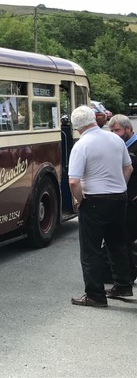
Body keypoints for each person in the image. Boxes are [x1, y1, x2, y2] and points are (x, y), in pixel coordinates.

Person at [68, 105, 133, 307]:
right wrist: (119, 187)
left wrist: (80, 200)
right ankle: (123, 284)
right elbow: (128, 167)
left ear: (76, 126)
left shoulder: (81, 145)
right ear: (95, 120)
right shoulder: (115, 139)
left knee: (91, 250)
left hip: (95, 199)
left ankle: (95, 295)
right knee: (117, 244)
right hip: (118, 197)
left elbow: (73, 181)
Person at [108, 114, 137, 282]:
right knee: (124, 238)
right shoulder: (116, 147)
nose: (113, 134)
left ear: (128, 129)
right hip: (123, 199)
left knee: (127, 238)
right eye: (111, 130)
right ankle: (127, 275)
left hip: (133, 198)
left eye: (117, 130)